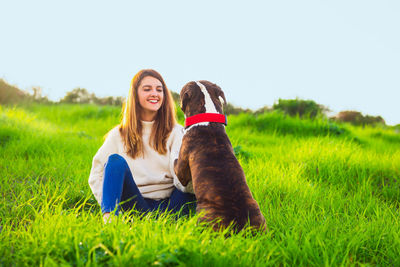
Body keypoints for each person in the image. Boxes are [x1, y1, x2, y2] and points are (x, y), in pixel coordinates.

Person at [88, 69, 195, 223]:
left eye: (159, 90)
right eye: (147, 89)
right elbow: (96, 174)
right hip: (136, 205)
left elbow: (182, 178)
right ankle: (110, 221)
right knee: (115, 162)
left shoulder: (176, 132)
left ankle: (173, 222)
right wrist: (109, 202)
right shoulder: (118, 134)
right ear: (135, 95)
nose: (155, 94)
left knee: (192, 171)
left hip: (173, 205)